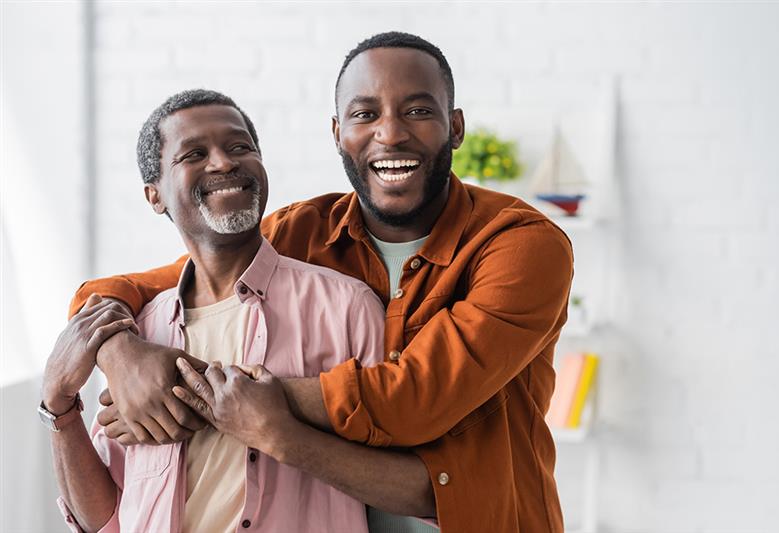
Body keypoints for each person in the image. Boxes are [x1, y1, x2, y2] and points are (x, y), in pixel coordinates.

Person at [69, 32, 574, 532]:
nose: (390, 133)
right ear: (337, 133)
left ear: (455, 127)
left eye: (418, 111)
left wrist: (198, 391)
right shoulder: (303, 231)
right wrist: (122, 355)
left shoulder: (521, 245)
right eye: (365, 114)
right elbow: (120, 289)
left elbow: (413, 401)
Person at [42, 89, 437, 533]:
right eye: (194, 153)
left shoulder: (347, 308)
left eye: (240, 147)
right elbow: (107, 519)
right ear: (155, 196)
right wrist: (59, 407)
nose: (224, 163)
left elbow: (412, 483)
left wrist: (277, 430)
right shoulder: (140, 334)